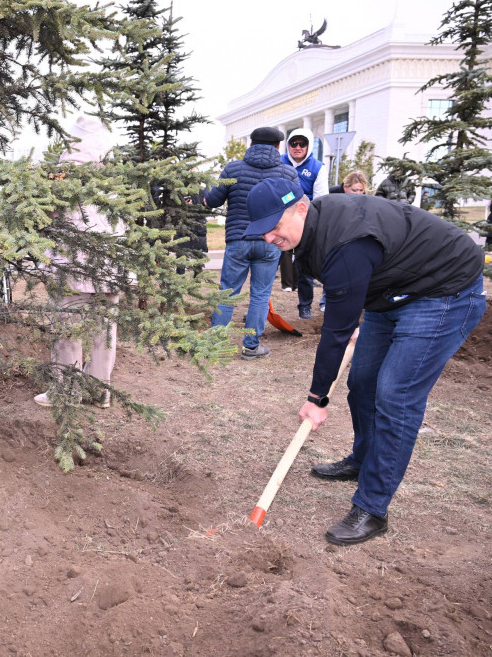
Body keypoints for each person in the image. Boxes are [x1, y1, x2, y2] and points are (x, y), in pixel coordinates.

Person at [245, 178, 486, 545]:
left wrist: (316, 399)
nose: (268, 238)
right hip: (389, 293)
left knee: (395, 395)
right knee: (362, 382)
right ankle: (363, 459)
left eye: (274, 228)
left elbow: (335, 332)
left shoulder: (345, 243)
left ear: (301, 208)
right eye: (262, 232)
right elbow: (346, 300)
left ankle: (373, 508)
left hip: (443, 292)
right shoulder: (311, 232)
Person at [34, 116, 122, 408]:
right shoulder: (115, 181)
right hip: (110, 266)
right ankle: (100, 391)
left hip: (73, 266)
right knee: (104, 330)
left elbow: (49, 218)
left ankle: (66, 391)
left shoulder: (64, 178)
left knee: (67, 328)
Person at [202, 126, 300, 359]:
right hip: (270, 241)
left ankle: (216, 345)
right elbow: (296, 206)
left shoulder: (233, 168)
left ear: (251, 144)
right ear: (278, 147)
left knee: (227, 292)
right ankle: (252, 346)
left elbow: (213, 200)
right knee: (260, 294)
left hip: (238, 239)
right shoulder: (288, 173)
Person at [281, 129, 328, 319]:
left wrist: (293, 198)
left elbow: (320, 199)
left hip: (303, 222)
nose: (298, 148)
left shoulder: (317, 167)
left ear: (308, 146)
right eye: (294, 143)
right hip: (276, 219)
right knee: (268, 267)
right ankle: (262, 308)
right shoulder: (279, 162)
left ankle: (305, 306)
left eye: (302, 144)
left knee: (304, 266)